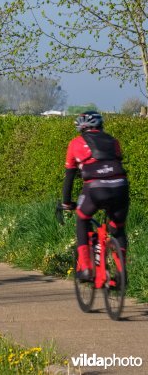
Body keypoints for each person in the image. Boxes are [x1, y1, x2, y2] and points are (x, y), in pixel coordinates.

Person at [60, 110, 129, 282]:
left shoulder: (75, 143)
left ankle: (86, 268)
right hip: (120, 186)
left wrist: (66, 202)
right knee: (117, 228)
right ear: (100, 125)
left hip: (95, 188)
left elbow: (69, 176)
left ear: (80, 128)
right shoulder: (113, 141)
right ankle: (121, 271)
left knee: (82, 218)